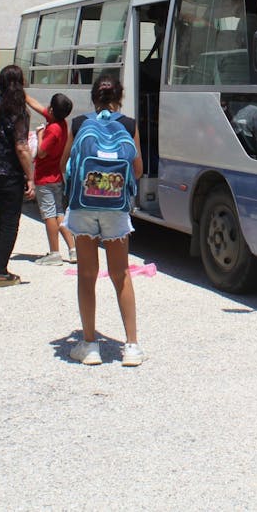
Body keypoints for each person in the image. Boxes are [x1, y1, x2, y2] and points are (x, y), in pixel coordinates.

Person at [62, 74, 145, 367]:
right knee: (121, 274)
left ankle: (89, 346)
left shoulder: (79, 124)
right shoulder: (129, 125)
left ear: (93, 97)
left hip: (83, 206)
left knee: (87, 275)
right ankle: (131, 347)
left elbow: (64, 165)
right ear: (119, 97)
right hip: (116, 208)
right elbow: (137, 169)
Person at [0, 64, 35, 287]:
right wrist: (30, 177)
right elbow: (21, 146)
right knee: (10, 221)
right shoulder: (17, 108)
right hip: (8, 171)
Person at [30, 92, 76, 266]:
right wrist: (25, 96)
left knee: (49, 215)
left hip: (45, 178)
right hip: (56, 177)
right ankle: (73, 250)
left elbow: (42, 152)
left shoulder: (53, 129)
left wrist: (39, 133)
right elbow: (37, 105)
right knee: (59, 214)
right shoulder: (62, 124)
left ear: (52, 110)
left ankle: (54, 253)